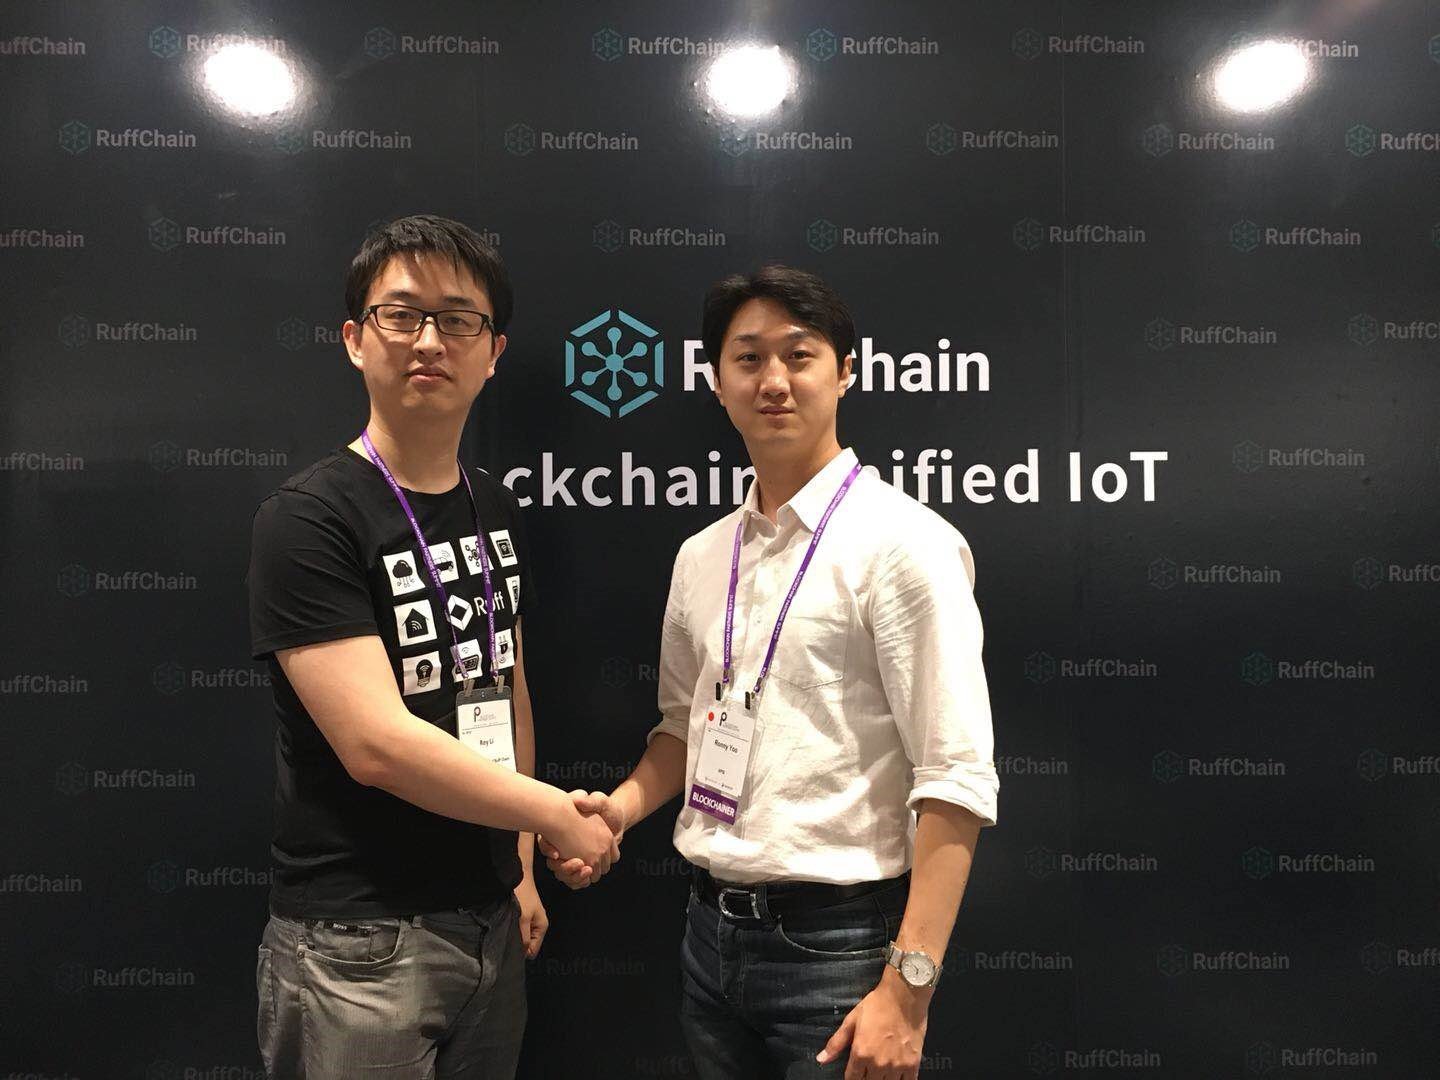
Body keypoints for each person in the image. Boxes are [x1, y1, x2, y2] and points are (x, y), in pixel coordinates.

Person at [546, 265, 999, 1080]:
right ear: (717, 381)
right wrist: (618, 812)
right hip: (708, 939)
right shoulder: (702, 555)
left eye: (800, 354)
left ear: (846, 371)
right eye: (748, 358)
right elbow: (683, 729)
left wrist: (908, 993)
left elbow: (956, 780)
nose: (774, 381)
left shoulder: (906, 546)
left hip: (841, 951)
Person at [247, 214, 618, 1079]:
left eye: (457, 320)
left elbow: (508, 686)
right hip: (357, 942)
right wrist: (552, 814)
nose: (428, 341)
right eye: (401, 314)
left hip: (489, 921)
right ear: (354, 339)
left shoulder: (493, 503)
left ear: (492, 353)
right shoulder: (308, 518)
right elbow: (374, 744)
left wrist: (520, 867)